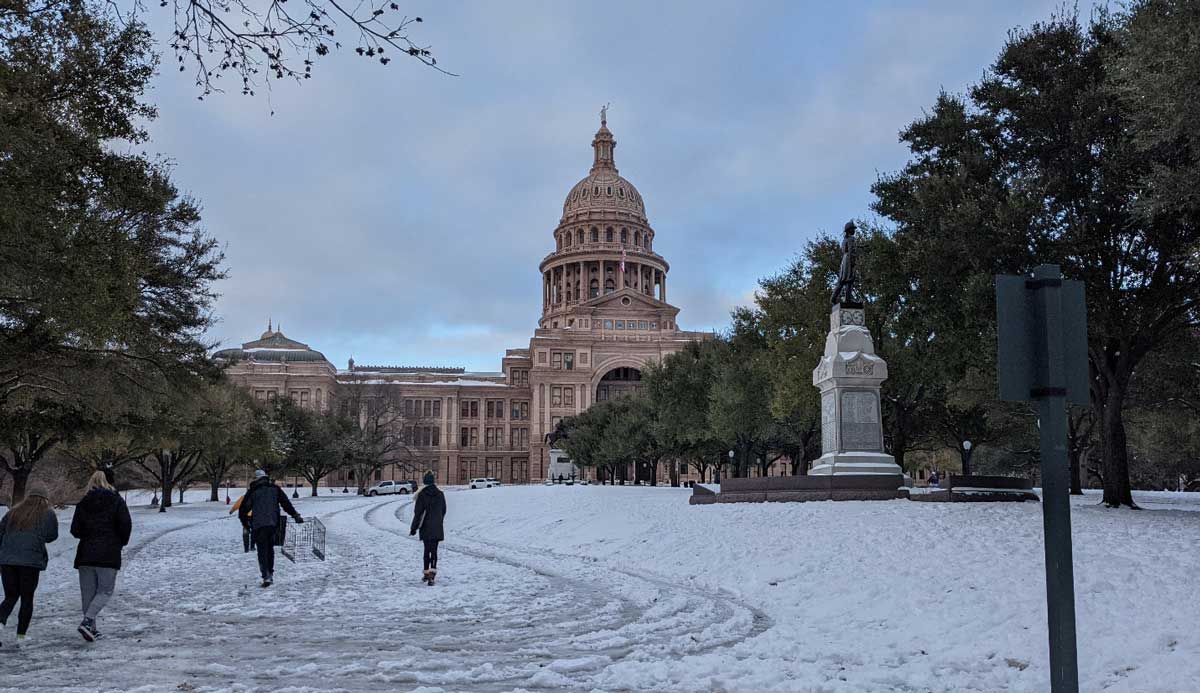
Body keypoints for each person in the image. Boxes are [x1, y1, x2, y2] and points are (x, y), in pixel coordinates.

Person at [70, 471, 133, 642]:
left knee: (88, 593)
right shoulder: (116, 500)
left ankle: (92, 628)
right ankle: (88, 621)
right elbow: (125, 525)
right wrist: (120, 541)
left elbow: (75, 530)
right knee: (105, 590)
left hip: (85, 555)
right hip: (108, 553)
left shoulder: (83, 503)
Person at [0, 484, 58, 648]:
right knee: (27, 598)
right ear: (45, 498)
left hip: (8, 561)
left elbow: (0, 532)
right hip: (30, 562)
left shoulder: (13, 512)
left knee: (10, 596)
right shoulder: (48, 513)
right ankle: (21, 636)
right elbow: (52, 536)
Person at [238, 470, 303, 587]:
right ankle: (270, 573)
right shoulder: (275, 489)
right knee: (270, 548)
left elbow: (243, 510)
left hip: (258, 525)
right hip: (273, 524)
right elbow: (285, 503)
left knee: (262, 550)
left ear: (256, 479)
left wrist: (246, 525)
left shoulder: (253, 491)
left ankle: (266, 575)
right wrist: (295, 515)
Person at [410, 471, 446, 586]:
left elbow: (418, 513)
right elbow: (443, 510)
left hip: (425, 526)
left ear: (425, 482)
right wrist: (438, 520)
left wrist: (413, 528)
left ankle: (426, 572)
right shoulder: (440, 494)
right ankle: (432, 573)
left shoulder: (422, 495)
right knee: (434, 551)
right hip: (437, 526)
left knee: (427, 550)